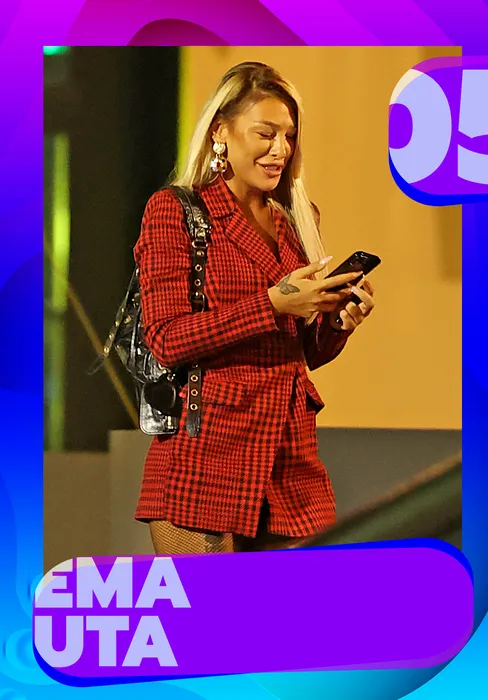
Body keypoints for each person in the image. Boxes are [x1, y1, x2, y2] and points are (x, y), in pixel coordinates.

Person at [134, 61, 375, 555]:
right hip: (206, 456)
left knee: (305, 606)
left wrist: (336, 323)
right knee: (209, 608)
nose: (280, 150)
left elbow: (300, 351)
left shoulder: (298, 219)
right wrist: (272, 303)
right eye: (265, 134)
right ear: (220, 132)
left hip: (291, 464)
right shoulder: (176, 210)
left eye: (289, 136)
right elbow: (167, 338)